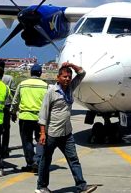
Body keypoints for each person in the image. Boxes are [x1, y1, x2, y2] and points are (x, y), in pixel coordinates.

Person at [35, 62, 96, 193]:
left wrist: (71, 65)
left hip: (67, 133)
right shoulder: (51, 92)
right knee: (45, 160)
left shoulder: (70, 88)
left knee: (74, 159)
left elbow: (82, 73)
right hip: (52, 133)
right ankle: (41, 186)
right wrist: (42, 134)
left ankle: (82, 186)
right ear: (58, 78)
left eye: (69, 77)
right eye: (64, 76)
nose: (67, 79)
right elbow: (43, 114)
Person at [11, 63, 49, 173]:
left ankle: (30, 163)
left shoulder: (23, 84)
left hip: (25, 116)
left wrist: (13, 112)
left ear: (30, 73)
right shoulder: (45, 86)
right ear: (40, 73)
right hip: (40, 118)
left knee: (26, 140)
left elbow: (15, 100)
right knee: (40, 140)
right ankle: (38, 161)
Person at [0, 60, 16, 158]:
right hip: (6, 106)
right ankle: (5, 148)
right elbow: (14, 93)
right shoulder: (9, 78)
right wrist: (14, 110)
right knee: (6, 129)